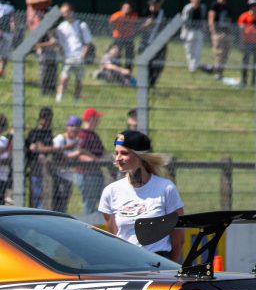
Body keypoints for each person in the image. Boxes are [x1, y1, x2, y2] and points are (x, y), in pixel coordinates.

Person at [99, 130, 184, 261]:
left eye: (124, 153)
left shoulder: (166, 188)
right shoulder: (110, 191)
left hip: (158, 262)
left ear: (140, 156)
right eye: (116, 153)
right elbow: (113, 238)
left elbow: (178, 238)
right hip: (125, 263)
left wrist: (171, 269)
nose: (117, 158)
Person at [54, 3, 91, 103]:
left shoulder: (81, 25)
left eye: (66, 12)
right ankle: (59, 98)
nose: (64, 14)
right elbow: (60, 44)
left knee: (79, 80)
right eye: (62, 13)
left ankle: (76, 100)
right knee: (64, 78)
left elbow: (87, 43)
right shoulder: (61, 27)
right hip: (67, 57)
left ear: (72, 12)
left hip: (79, 57)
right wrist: (63, 55)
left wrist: (82, 55)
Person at [50, 114, 82, 213]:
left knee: (64, 204)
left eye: (76, 126)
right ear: (67, 127)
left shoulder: (78, 141)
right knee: (56, 203)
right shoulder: (60, 139)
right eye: (71, 126)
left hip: (68, 177)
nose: (74, 129)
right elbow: (56, 155)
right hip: (57, 175)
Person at [26, 107, 57, 209]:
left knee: (47, 194)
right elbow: (30, 148)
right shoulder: (33, 132)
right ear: (41, 119)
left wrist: (44, 152)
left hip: (47, 168)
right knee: (36, 194)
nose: (48, 122)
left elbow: (50, 148)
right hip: (35, 167)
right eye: (46, 119)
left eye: (50, 119)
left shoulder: (49, 133)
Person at [77, 107, 105, 215]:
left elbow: (103, 153)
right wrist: (94, 160)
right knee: (89, 205)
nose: (98, 121)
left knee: (103, 203)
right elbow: (79, 154)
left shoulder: (94, 135)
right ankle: (87, 229)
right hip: (86, 174)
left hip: (96, 174)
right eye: (97, 118)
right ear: (90, 119)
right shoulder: (81, 135)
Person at [237, 0, 256, 88]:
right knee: (245, 62)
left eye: (255, 5)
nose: (254, 7)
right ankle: (243, 80)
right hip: (247, 43)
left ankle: (254, 81)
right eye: (252, 5)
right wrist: (241, 42)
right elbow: (241, 31)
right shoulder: (244, 16)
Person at [138, 0, 167, 87]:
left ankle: (152, 82)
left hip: (160, 43)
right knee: (147, 63)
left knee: (159, 64)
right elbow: (138, 28)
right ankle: (146, 82)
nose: (154, 6)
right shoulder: (145, 12)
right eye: (152, 4)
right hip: (147, 42)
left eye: (156, 4)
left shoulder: (163, 14)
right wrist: (147, 24)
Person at [208, 0, 232, 81]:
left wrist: (230, 33)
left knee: (225, 54)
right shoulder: (215, 5)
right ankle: (217, 72)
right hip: (218, 33)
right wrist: (213, 32)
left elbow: (229, 21)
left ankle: (221, 72)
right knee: (219, 54)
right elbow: (211, 19)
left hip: (226, 33)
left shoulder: (228, 7)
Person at [180, 0, 206, 73]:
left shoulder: (202, 7)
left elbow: (203, 19)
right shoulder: (187, 7)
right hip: (189, 31)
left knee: (197, 50)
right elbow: (184, 20)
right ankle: (191, 66)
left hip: (198, 31)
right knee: (189, 50)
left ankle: (194, 66)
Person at [108, 1, 137, 71]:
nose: (126, 9)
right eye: (125, 7)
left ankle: (128, 70)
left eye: (128, 8)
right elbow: (111, 21)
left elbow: (135, 23)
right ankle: (117, 70)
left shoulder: (133, 15)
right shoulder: (117, 15)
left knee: (129, 55)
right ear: (122, 8)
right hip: (119, 37)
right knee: (117, 54)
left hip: (129, 37)